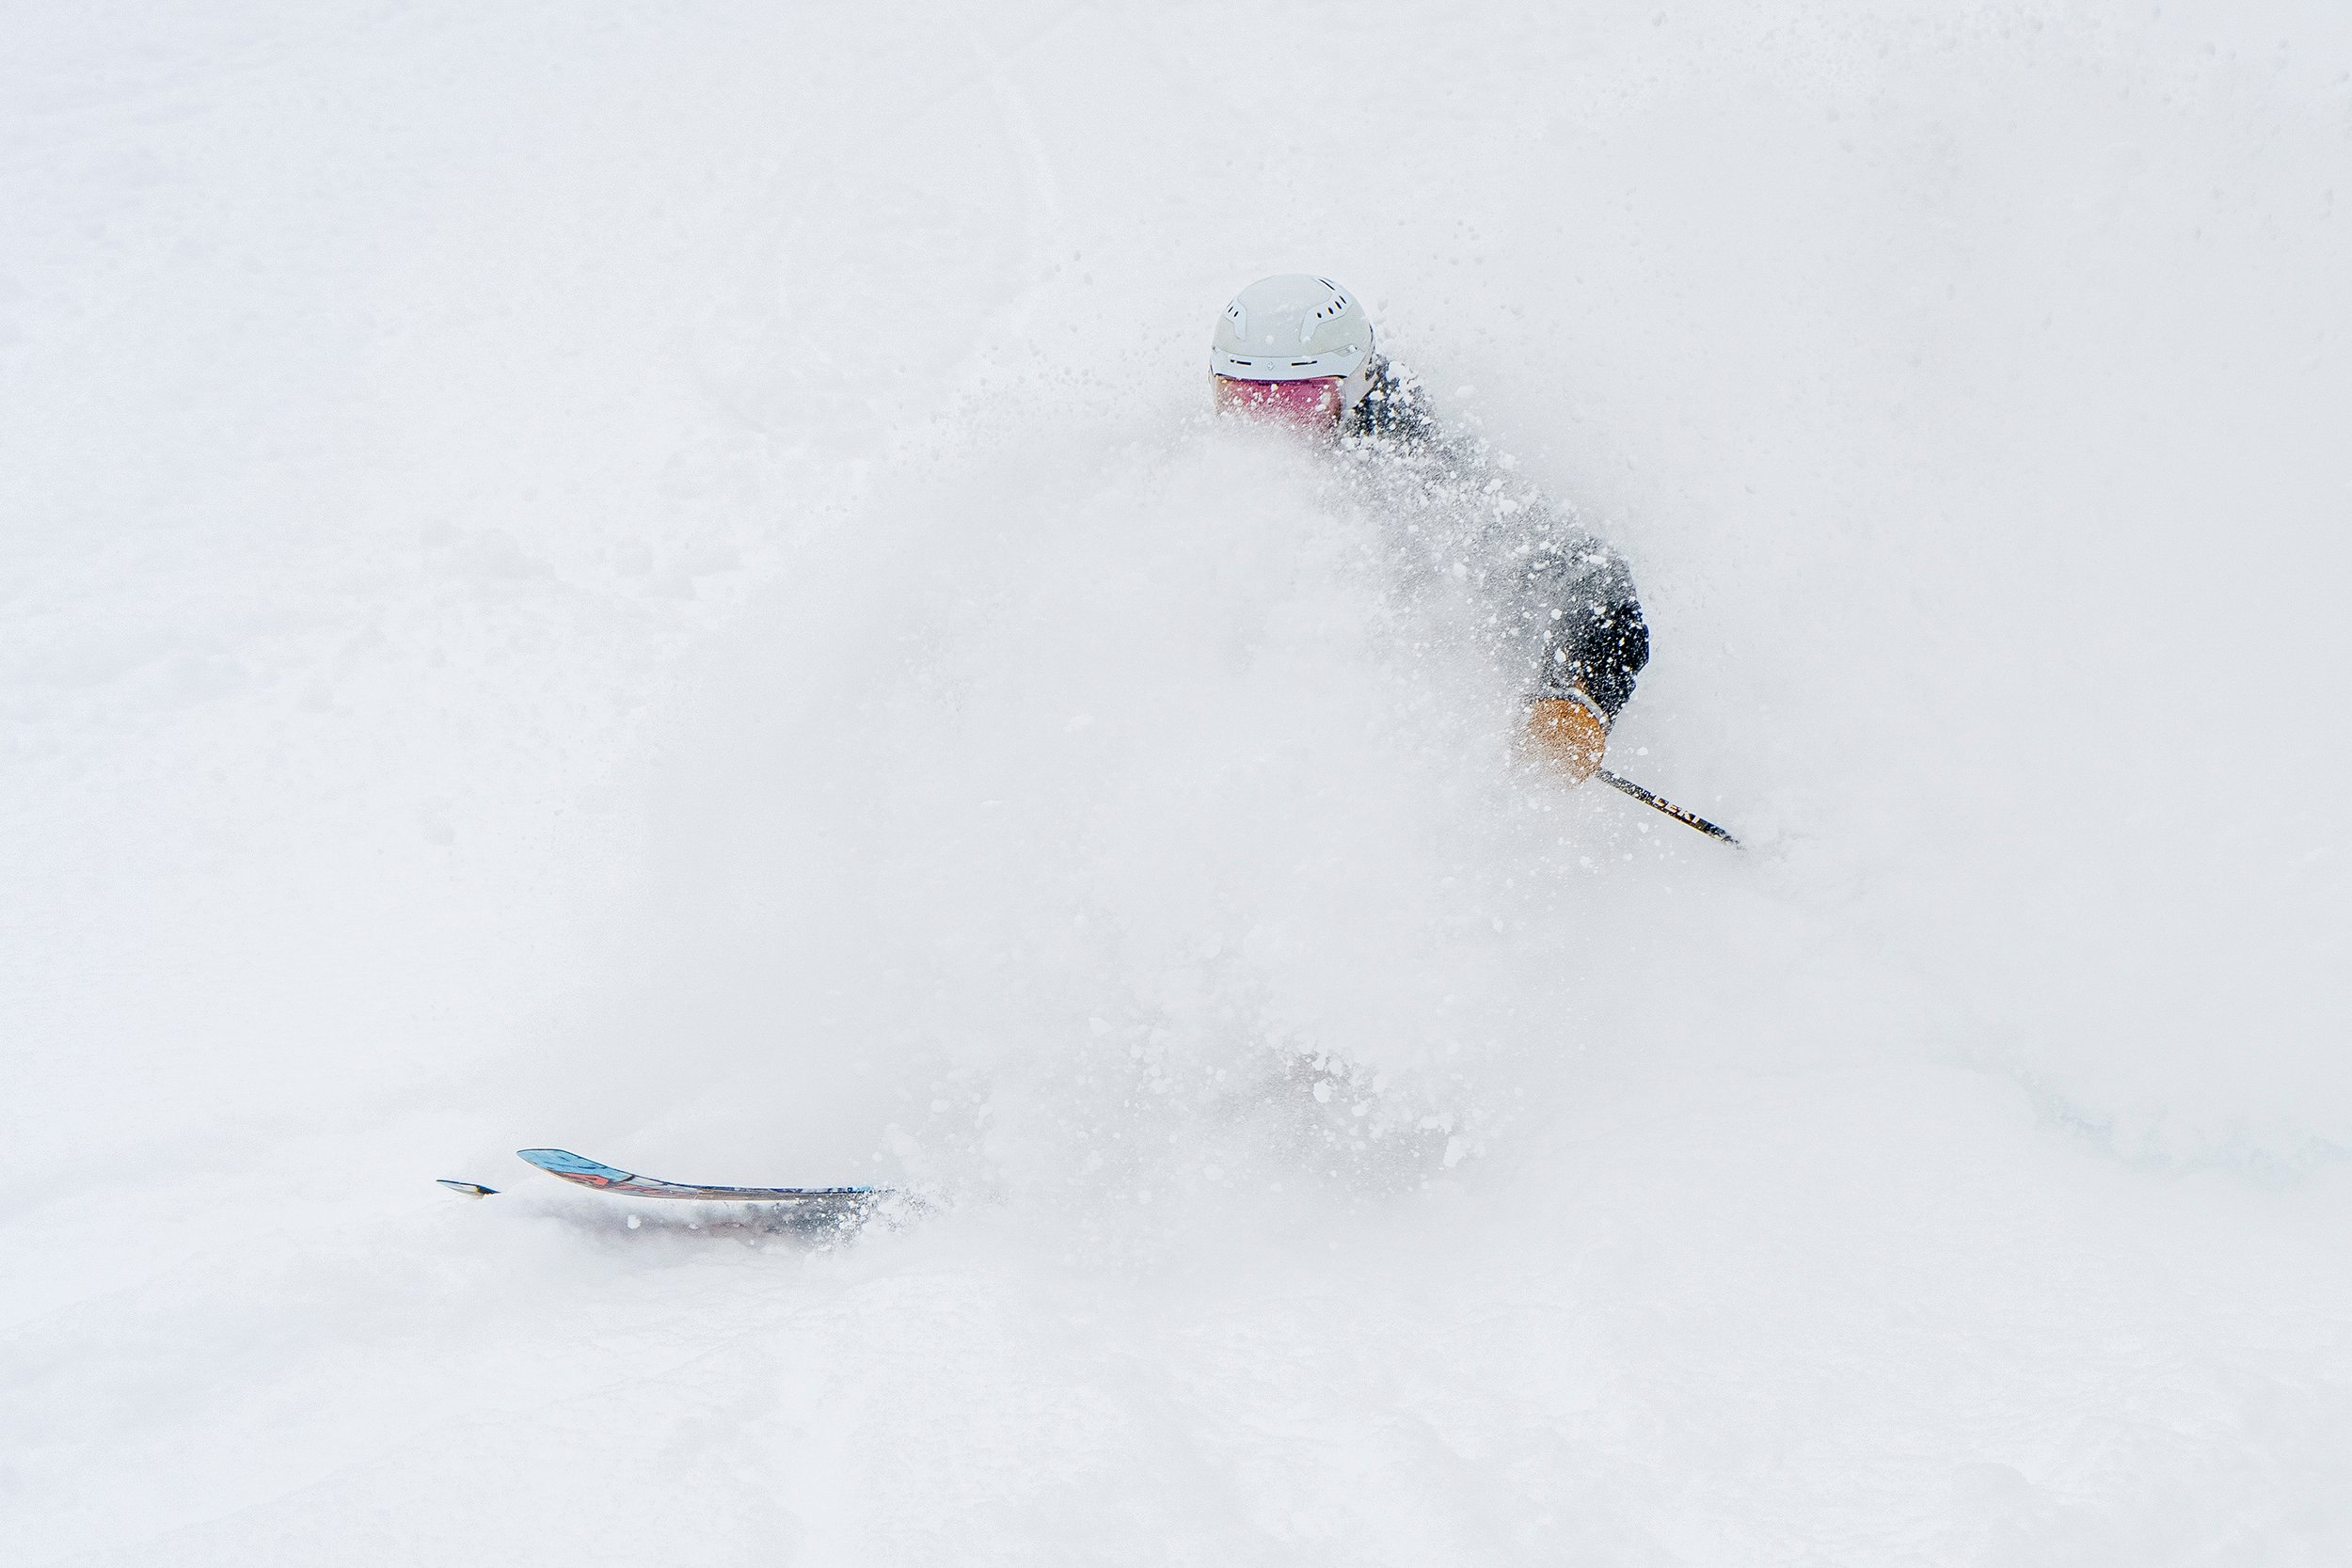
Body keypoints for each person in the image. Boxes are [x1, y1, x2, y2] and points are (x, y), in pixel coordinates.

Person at [1211, 273, 1650, 787]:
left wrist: (1574, 699)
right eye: (1246, 399)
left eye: (1299, 401)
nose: (1274, 428)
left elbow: (1596, 584)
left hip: (1400, 755)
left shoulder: (1424, 482)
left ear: (1356, 387)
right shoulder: (1191, 484)